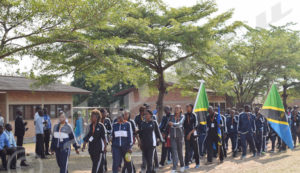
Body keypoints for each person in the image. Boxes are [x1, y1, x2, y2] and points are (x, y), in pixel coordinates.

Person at [167, 105, 185, 173]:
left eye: (178, 108)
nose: (176, 109)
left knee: (180, 152)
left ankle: (182, 166)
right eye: (175, 108)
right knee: (174, 152)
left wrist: (173, 124)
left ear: (180, 110)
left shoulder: (182, 116)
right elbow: (168, 123)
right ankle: (174, 167)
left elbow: (180, 124)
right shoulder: (171, 116)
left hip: (180, 136)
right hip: (172, 137)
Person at [183, 104, 200, 169]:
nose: (187, 108)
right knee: (187, 150)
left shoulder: (194, 115)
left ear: (191, 108)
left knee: (196, 150)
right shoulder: (184, 115)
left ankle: (197, 163)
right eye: (186, 107)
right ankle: (186, 164)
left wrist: (190, 134)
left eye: (188, 107)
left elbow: (196, 126)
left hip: (193, 134)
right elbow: (182, 125)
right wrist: (185, 133)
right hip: (186, 135)